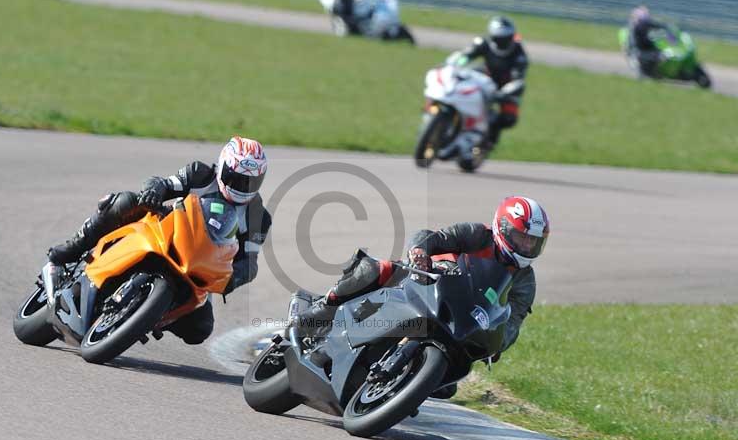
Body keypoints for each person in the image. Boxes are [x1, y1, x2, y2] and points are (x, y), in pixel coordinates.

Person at [297, 196, 550, 398]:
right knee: (377, 270)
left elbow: (513, 319)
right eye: (521, 238)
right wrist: (419, 250)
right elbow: (436, 237)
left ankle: (401, 389)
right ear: (502, 227)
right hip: (424, 280)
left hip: (460, 318)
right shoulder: (477, 235)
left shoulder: (525, 281)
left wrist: (497, 342)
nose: (527, 247)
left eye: (533, 242)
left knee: (447, 387)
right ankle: (322, 307)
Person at [47, 136, 272, 344]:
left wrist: (233, 279)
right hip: (167, 231)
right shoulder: (200, 174)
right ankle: (73, 248)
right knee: (126, 201)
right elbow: (162, 183)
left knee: (200, 329)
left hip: (202, 263)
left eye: (251, 182)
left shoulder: (258, 217)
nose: (242, 187)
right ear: (223, 166)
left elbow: (250, 262)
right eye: (236, 178)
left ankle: (147, 315)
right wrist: (154, 190)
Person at [447, 16, 528, 157]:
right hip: (484, 77)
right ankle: (451, 122)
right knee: (458, 86)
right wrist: (454, 64)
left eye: (504, 38)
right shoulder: (484, 43)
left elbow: (518, 79)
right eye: (497, 37)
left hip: (506, 87)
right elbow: (467, 55)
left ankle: (487, 143)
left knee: (508, 118)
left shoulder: (519, 55)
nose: (500, 41)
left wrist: (506, 92)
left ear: (511, 36)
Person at [628, 6, 669, 76]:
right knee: (663, 55)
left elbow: (655, 28)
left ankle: (650, 71)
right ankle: (650, 71)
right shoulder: (640, 26)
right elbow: (646, 39)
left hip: (641, 51)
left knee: (660, 54)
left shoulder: (636, 27)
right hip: (641, 52)